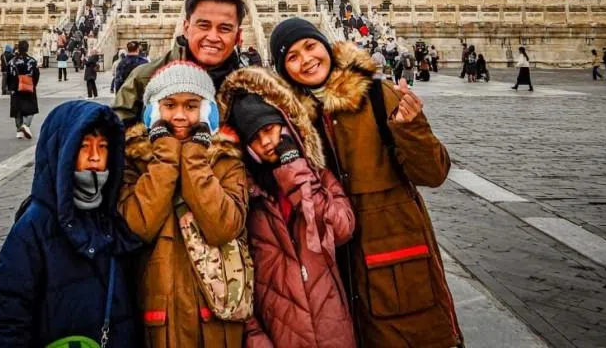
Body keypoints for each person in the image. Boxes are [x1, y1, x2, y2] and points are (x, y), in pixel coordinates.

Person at [267, 18, 462, 348]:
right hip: (336, 272)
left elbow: (434, 173)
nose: (306, 60)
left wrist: (412, 129)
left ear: (326, 46)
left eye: (310, 46)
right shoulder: (293, 122)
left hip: (397, 263)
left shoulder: (377, 96)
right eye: (292, 57)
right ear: (284, 70)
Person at [218, 68, 356, 348]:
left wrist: (296, 172)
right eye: (255, 138)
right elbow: (235, 276)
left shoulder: (318, 176)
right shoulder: (246, 197)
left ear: (286, 124)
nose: (267, 142)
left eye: (269, 129)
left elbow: (341, 230)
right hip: (278, 332)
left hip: (331, 327)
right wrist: (255, 339)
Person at [0, 101, 143, 347]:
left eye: (103, 147)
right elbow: (9, 318)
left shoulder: (113, 217)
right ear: (63, 152)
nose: (95, 157)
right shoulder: (33, 228)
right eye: (84, 147)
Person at [118, 61, 248, 348]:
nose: (179, 115)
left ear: (208, 111)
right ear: (153, 111)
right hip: (160, 319)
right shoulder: (135, 161)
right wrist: (166, 156)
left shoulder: (226, 161)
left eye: (191, 106)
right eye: (169, 105)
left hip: (216, 322)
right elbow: (138, 226)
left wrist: (194, 156)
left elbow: (222, 227)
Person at [112, 0, 245, 131]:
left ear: (238, 36)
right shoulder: (144, 78)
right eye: (204, 26)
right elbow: (114, 133)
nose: (213, 37)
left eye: (224, 28)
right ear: (186, 28)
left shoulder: (249, 87)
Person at [7, 40, 40, 139]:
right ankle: (25, 125)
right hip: (28, 87)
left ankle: (19, 130)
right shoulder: (32, 61)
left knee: (17, 109)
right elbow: (36, 75)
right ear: (27, 48)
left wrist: (10, 87)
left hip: (15, 88)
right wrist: (33, 85)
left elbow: (8, 76)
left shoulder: (12, 61)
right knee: (31, 108)